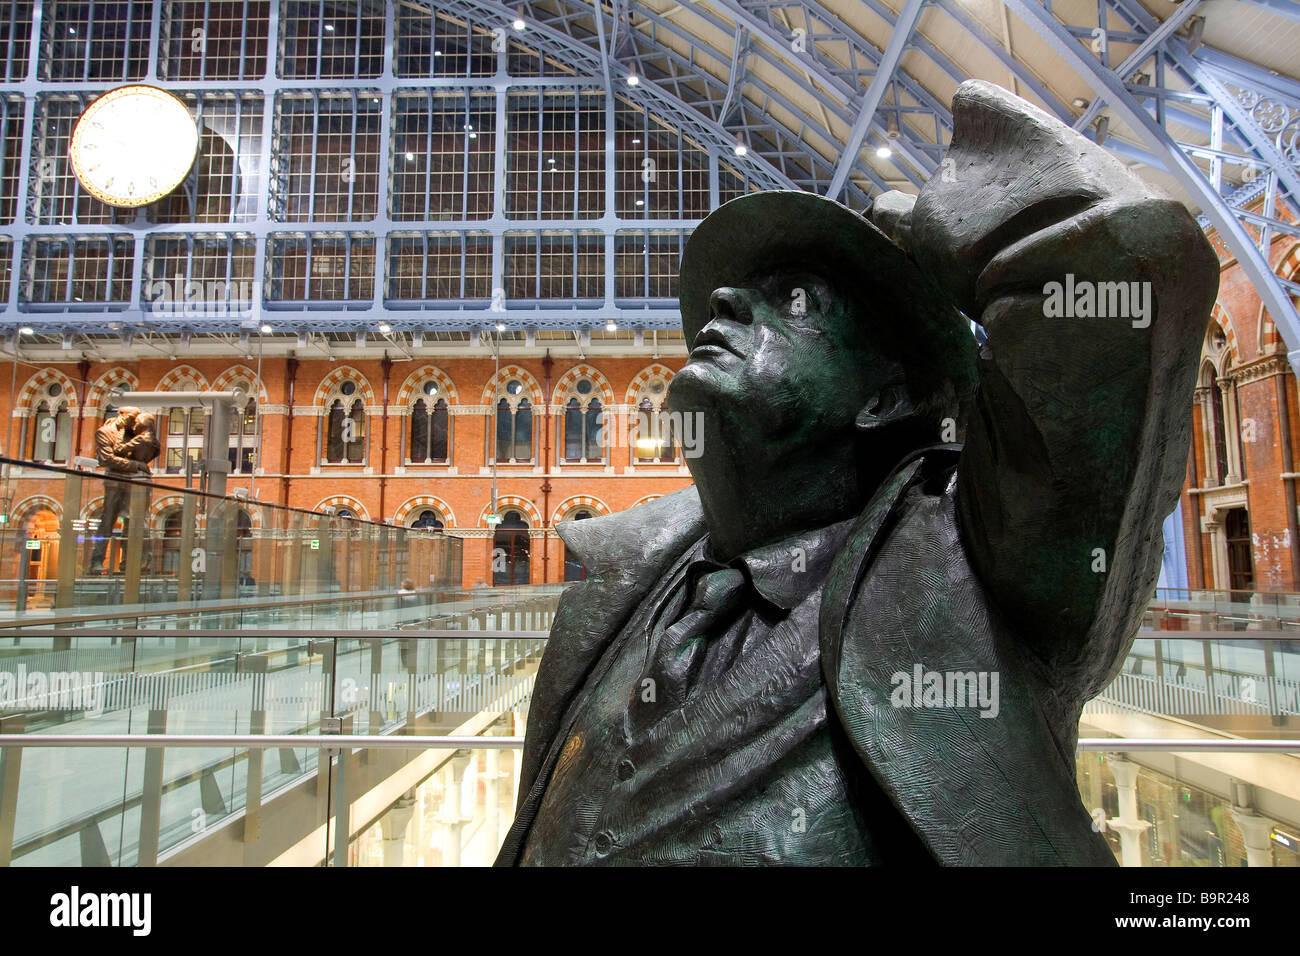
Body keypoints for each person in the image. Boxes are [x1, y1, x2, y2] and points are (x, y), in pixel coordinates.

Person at [496, 81, 1219, 866]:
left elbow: (1130, 258)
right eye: (730, 293)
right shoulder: (625, 582)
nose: (726, 300)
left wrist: (939, 235)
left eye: (797, 302)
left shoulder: (972, 577)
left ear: (888, 395)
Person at [89, 407, 158, 572]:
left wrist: (148, 434)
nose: (133, 423)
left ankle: (131, 562)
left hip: (136, 480)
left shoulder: (133, 432)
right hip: (115, 480)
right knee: (107, 520)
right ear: (121, 415)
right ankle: (96, 561)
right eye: (131, 418)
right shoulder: (104, 432)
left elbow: (148, 451)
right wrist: (137, 465)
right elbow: (107, 459)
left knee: (135, 522)